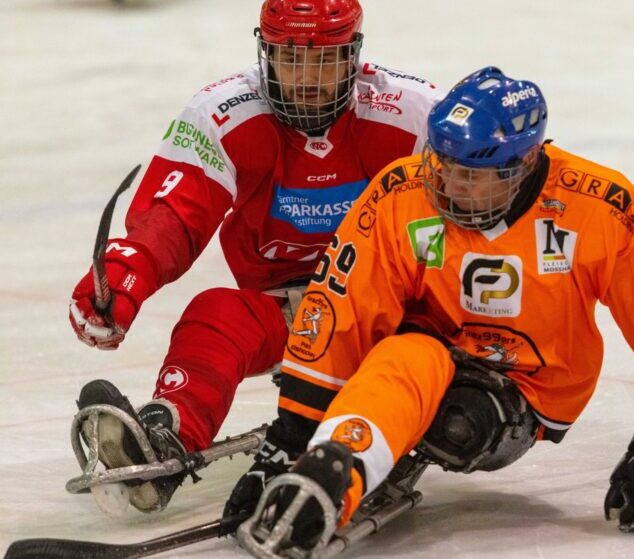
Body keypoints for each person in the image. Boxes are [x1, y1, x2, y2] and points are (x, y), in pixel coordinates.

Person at [228, 67, 634, 559]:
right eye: (442, 164)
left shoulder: (598, 204)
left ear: (525, 161)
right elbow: (341, 309)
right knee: (403, 356)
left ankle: (383, 442)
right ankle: (332, 472)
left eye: (471, 174)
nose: (449, 184)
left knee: (462, 421)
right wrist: (291, 438)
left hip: (530, 384)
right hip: (427, 348)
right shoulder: (401, 193)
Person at [68, 0, 441, 514]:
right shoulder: (223, 113)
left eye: (326, 58)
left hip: (385, 315)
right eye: (291, 57)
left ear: (355, 55)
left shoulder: (416, 114)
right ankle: (168, 429)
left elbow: (472, 212)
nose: (308, 78)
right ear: (264, 52)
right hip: (285, 312)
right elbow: (174, 213)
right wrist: (122, 277)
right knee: (216, 314)